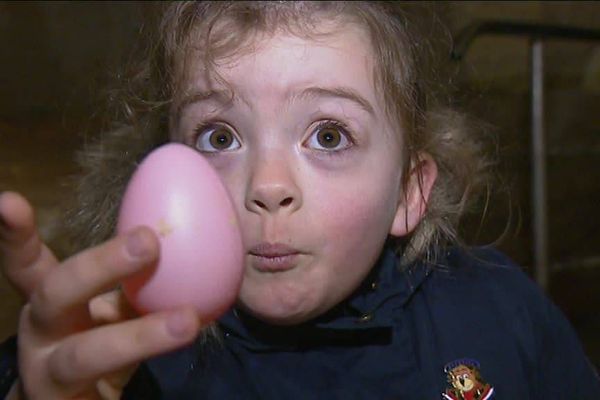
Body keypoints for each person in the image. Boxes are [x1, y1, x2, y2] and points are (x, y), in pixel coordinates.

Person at [0, 2, 599, 399]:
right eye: (220, 137)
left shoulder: (501, 311)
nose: (267, 185)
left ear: (409, 192)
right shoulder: (121, 356)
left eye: (329, 136)